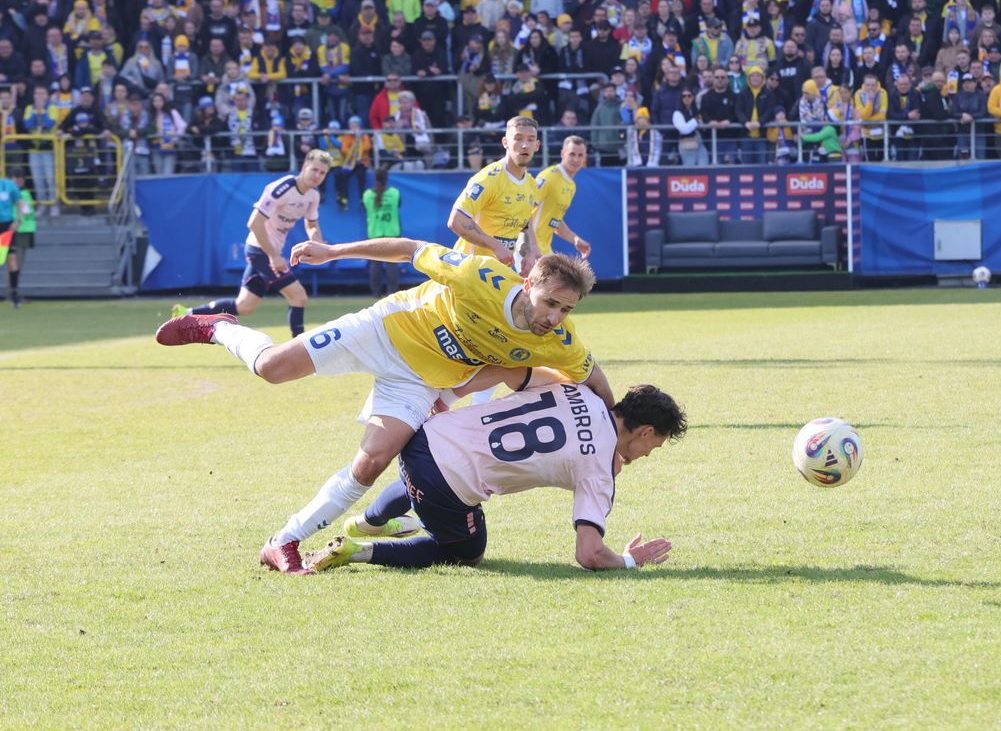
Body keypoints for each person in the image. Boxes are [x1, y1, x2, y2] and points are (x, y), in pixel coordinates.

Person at [155, 238, 614, 575]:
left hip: (419, 380)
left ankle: (284, 541)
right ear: (528, 282)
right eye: (550, 303)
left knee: (371, 462)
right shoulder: (480, 276)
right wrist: (332, 252)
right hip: (385, 330)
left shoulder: (559, 340)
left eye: (566, 309)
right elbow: (408, 249)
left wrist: (615, 426)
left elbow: (591, 376)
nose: (554, 317)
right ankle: (217, 327)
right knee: (272, 367)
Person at [308, 378, 686, 572]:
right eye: (654, 447)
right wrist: (629, 560)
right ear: (646, 432)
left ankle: (369, 521)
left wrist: (448, 397)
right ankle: (358, 551)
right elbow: (589, 554)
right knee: (464, 553)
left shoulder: (576, 387)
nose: (647, 455)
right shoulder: (600, 471)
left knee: (430, 476)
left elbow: (511, 371)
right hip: (446, 484)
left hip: (424, 436)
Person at [171, 150, 331, 337]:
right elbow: (254, 223)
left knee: (244, 306)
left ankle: (186, 314)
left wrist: (317, 241)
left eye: (322, 173)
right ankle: (301, 347)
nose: (317, 176)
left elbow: (311, 224)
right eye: (314, 170)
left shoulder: (313, 196)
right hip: (260, 250)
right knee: (299, 297)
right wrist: (273, 255)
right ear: (304, 167)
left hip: (268, 252)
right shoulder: (282, 188)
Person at [447, 115, 540, 267]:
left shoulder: (531, 184)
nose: (525, 145)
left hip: (500, 271)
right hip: (470, 268)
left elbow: (524, 223)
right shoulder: (488, 178)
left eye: (530, 140)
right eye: (518, 138)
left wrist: (529, 253)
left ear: (537, 145)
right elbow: (457, 221)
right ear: (505, 142)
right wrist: (496, 246)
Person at [532, 136, 592, 259]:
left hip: (544, 249)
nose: (576, 159)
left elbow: (555, 221)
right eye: (572, 154)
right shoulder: (548, 177)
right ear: (562, 153)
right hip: (528, 248)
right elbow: (523, 211)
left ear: (585, 157)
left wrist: (575, 239)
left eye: (580, 155)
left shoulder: (571, 185)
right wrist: (530, 245)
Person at [362, 166, 401, 298]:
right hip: (392, 233)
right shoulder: (395, 193)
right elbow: (398, 205)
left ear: (375, 178)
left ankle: (376, 292)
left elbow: (365, 208)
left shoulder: (367, 195)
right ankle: (391, 292)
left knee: (375, 264)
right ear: (387, 178)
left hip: (375, 234)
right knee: (392, 264)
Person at [0, 171, 30, 307]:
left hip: (6, 226)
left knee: (11, 259)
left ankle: (14, 293)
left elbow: (19, 203)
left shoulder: (9, 185)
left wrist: (18, 220)